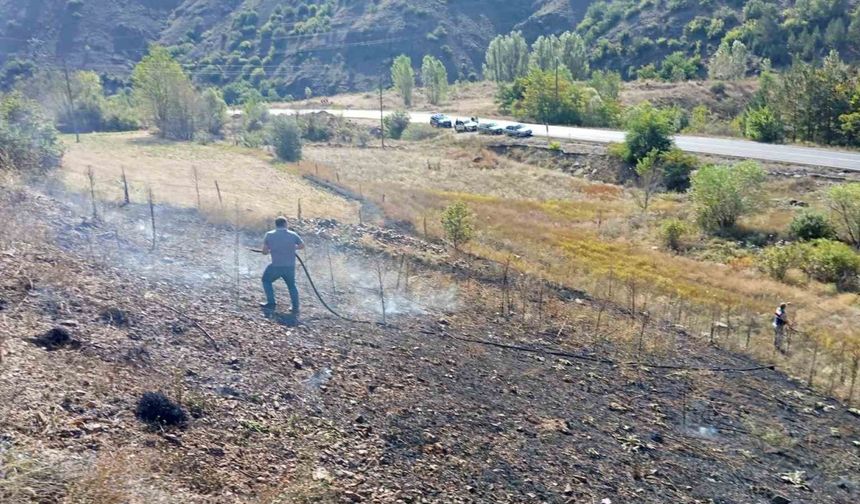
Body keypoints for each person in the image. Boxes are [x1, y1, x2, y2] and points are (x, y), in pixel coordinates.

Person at [260, 216, 305, 314]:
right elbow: (302, 246)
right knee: (292, 286)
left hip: (276, 265)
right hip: (290, 266)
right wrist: (293, 248)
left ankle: (271, 303)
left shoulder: (269, 235)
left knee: (266, 280)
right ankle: (295, 307)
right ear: (285, 224)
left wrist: (269, 250)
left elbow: (264, 252)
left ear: (276, 224)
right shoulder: (293, 234)